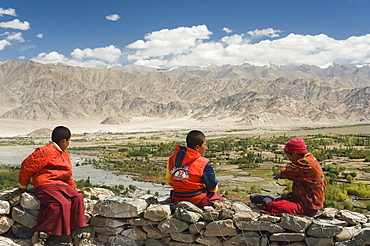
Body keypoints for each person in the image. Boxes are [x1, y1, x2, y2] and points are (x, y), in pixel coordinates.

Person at [15, 126, 90, 246]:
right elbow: (27, 167)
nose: (69, 143)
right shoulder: (44, 152)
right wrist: (22, 186)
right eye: (69, 141)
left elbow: (67, 174)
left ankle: (78, 232)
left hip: (60, 185)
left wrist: (73, 187)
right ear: (63, 141)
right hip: (45, 184)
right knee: (61, 203)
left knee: (77, 198)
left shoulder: (64, 154)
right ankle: (43, 233)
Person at [250, 138, 326, 216]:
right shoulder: (311, 159)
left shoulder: (305, 163)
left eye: (289, 155)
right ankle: (269, 199)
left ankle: (266, 199)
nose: (289, 159)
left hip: (308, 205)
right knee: (282, 200)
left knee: (274, 207)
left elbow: (284, 172)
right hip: (303, 198)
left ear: (295, 154)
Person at [166, 130, 223, 207]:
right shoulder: (203, 163)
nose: (206, 147)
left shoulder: (172, 159)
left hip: (176, 197)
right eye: (205, 145)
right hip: (196, 199)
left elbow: (169, 179)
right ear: (197, 147)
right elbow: (212, 187)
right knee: (217, 197)